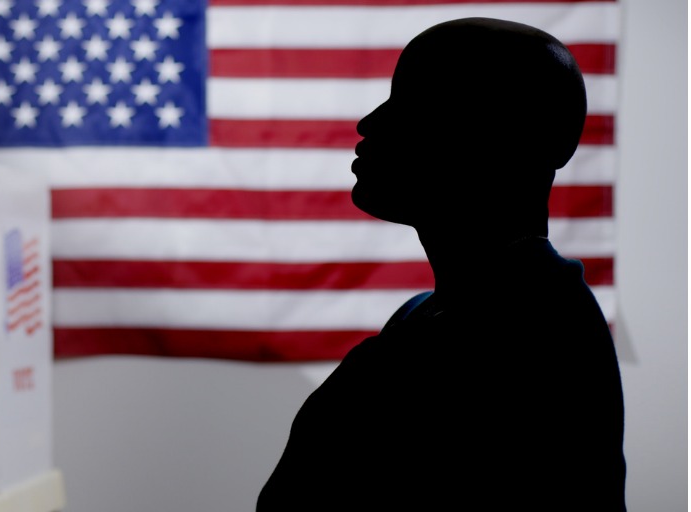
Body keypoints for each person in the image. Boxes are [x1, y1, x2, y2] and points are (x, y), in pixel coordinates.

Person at [257, 17, 626, 511]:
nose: (371, 123)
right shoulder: (435, 319)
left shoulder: (528, 332)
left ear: (499, 134)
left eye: (415, 102)